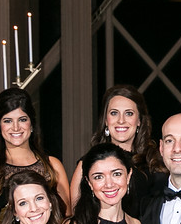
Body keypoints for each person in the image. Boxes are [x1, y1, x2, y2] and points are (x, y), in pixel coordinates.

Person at [0, 88, 69, 224]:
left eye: (22, 119)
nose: (16, 127)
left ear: (32, 123)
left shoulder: (52, 166)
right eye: (8, 121)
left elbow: (67, 220)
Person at [69, 85, 166, 217]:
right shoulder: (87, 164)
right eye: (114, 113)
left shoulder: (157, 160)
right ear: (105, 120)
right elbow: (78, 218)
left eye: (129, 113)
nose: (121, 120)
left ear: (139, 121)